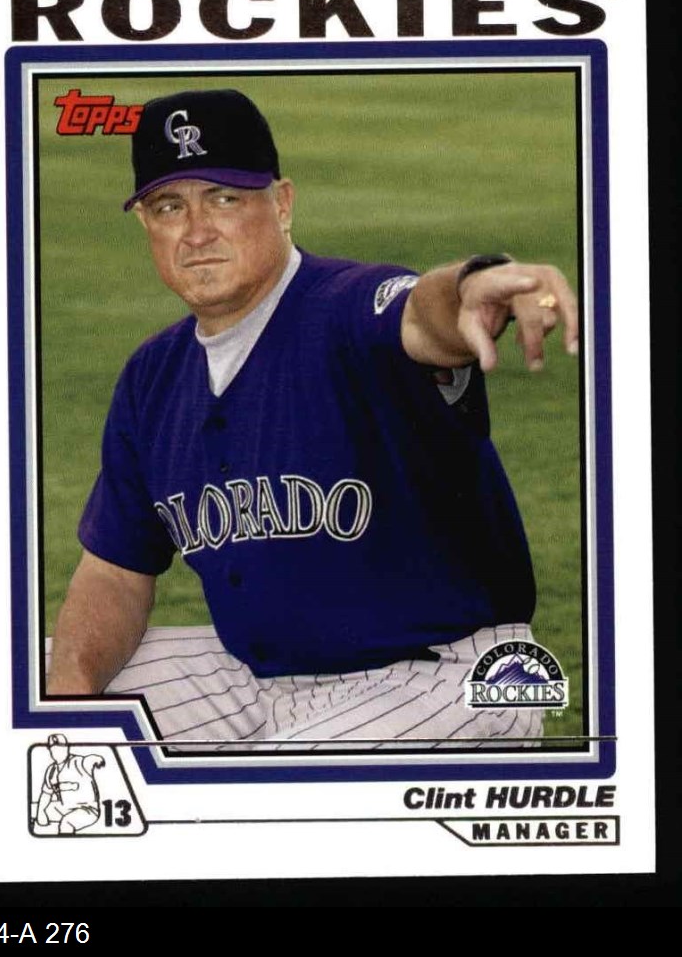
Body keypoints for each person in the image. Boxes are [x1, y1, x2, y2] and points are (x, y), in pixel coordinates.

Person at [47, 88, 578, 751]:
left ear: (283, 203)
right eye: (169, 206)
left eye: (224, 198)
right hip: (257, 679)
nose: (196, 231)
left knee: (264, 796)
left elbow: (422, 314)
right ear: (146, 225)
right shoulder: (152, 376)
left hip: (451, 676)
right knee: (24, 684)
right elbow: (115, 573)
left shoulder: (350, 309)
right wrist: (64, 712)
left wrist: (472, 283)